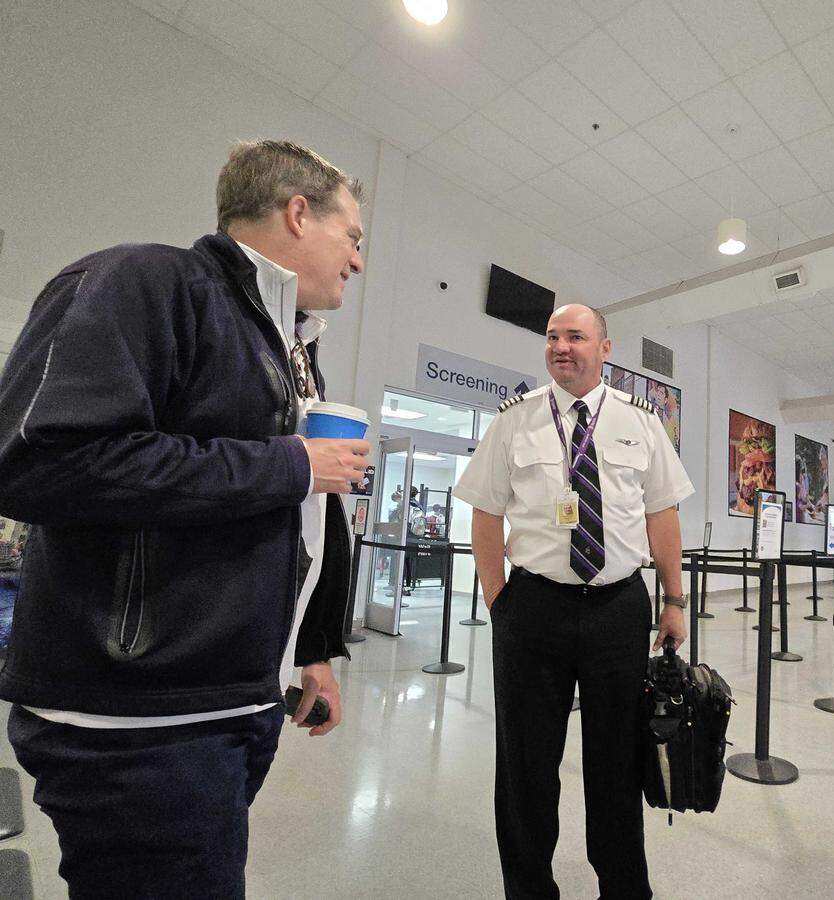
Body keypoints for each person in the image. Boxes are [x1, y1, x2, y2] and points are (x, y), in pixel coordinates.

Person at [0, 140, 370, 896]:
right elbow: (39, 462)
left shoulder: (287, 347)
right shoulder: (144, 282)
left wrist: (309, 651)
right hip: (138, 721)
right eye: (353, 236)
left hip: (233, 699)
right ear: (299, 213)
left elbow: (279, 523)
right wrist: (293, 464)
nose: (358, 261)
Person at [455, 303, 693, 899]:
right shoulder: (515, 419)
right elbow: (485, 511)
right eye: (552, 336)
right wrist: (498, 601)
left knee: (617, 761)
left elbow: (662, 514)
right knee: (525, 764)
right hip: (533, 608)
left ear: (605, 348)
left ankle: (624, 889)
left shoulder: (641, 422)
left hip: (618, 608)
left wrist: (674, 599)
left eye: (576, 336)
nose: (561, 346)